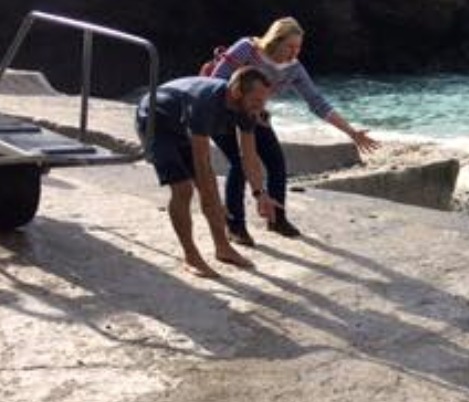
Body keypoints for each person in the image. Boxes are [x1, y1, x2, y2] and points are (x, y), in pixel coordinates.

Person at [209, 17, 380, 242]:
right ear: (275, 40)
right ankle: (235, 226)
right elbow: (215, 82)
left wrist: (352, 132)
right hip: (222, 112)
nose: (294, 52)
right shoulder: (247, 48)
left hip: (254, 115)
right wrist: (243, 108)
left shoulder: (294, 69)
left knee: (276, 162)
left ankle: (276, 219)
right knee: (239, 164)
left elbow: (317, 102)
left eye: (298, 47)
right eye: (290, 46)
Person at [135, 68, 281, 278]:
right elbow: (202, 162)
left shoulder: (247, 110)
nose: (260, 107)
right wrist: (213, 198)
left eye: (264, 100)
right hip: (155, 120)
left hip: (180, 123)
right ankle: (191, 256)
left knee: (208, 188)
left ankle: (223, 248)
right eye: (256, 100)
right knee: (184, 188)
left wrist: (260, 193)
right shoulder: (206, 103)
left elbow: (248, 157)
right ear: (237, 91)